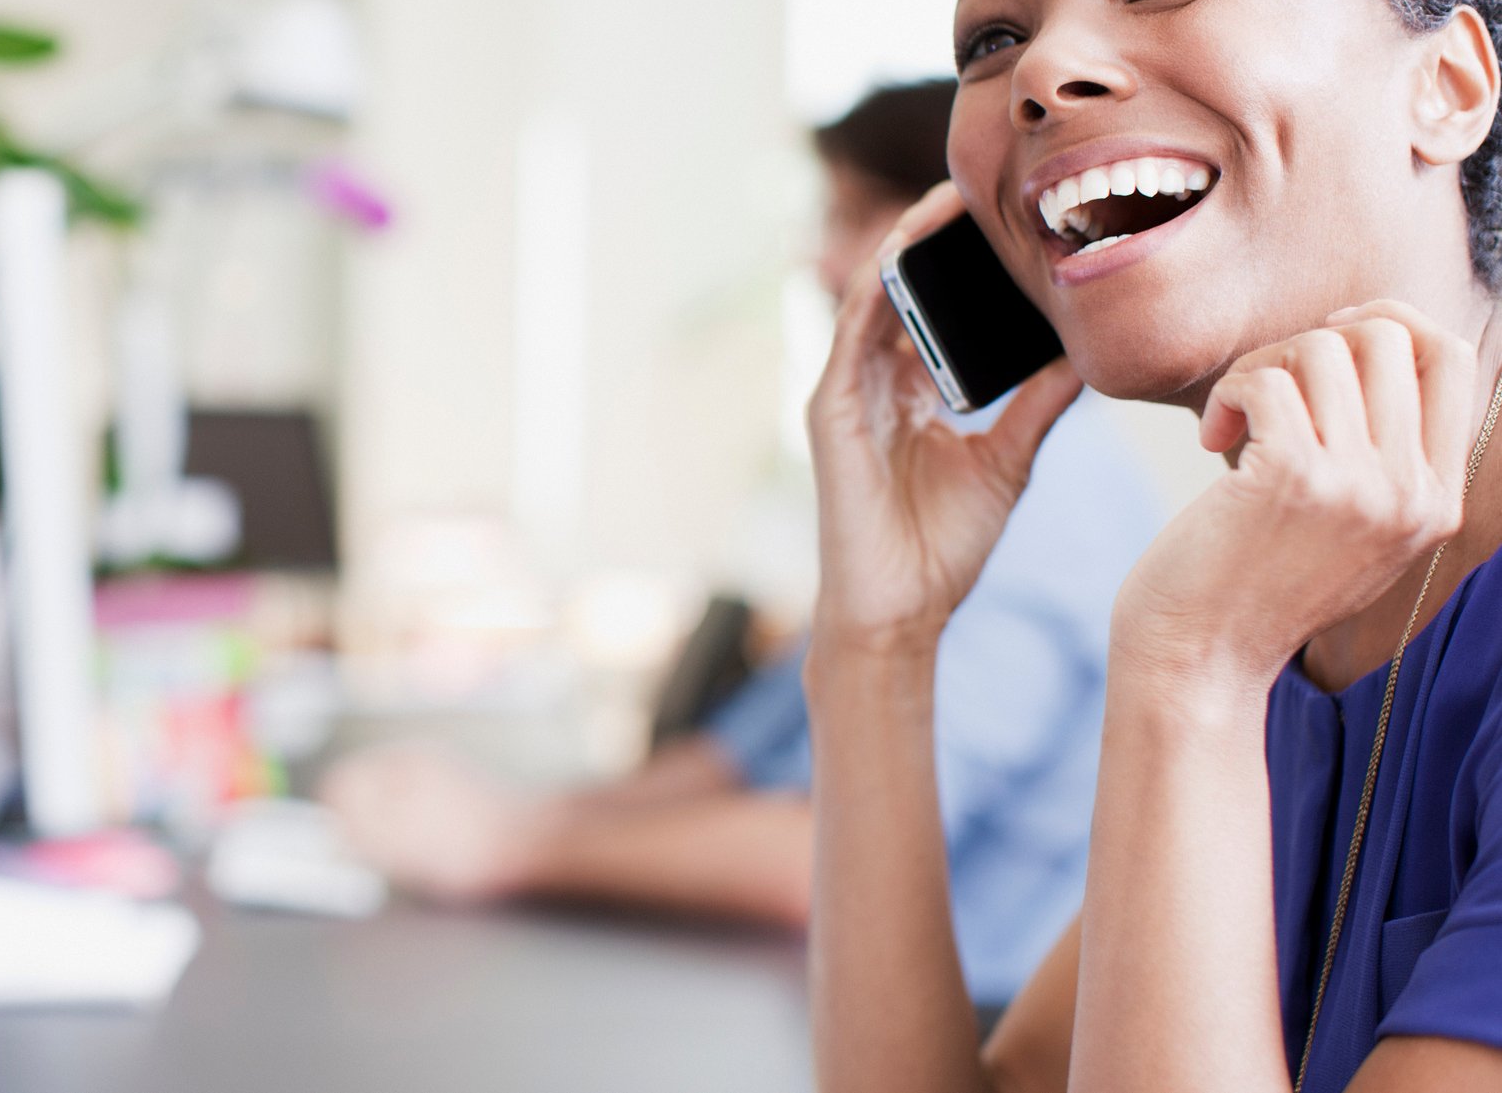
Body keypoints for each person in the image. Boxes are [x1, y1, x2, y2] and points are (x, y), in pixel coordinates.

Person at [807, 0, 1502, 1093]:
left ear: (1449, 86)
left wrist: (1189, 667)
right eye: (991, 35)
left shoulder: (1222, 630)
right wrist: (874, 646)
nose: (1041, 75)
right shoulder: (1287, 587)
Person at [324, 80, 1166, 1012]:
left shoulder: (1044, 501)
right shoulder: (945, 446)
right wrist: (522, 813)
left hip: (979, 1028)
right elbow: (741, 756)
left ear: (959, 224)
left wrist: (506, 848)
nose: (822, 259)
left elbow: (822, 856)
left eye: (852, 217)